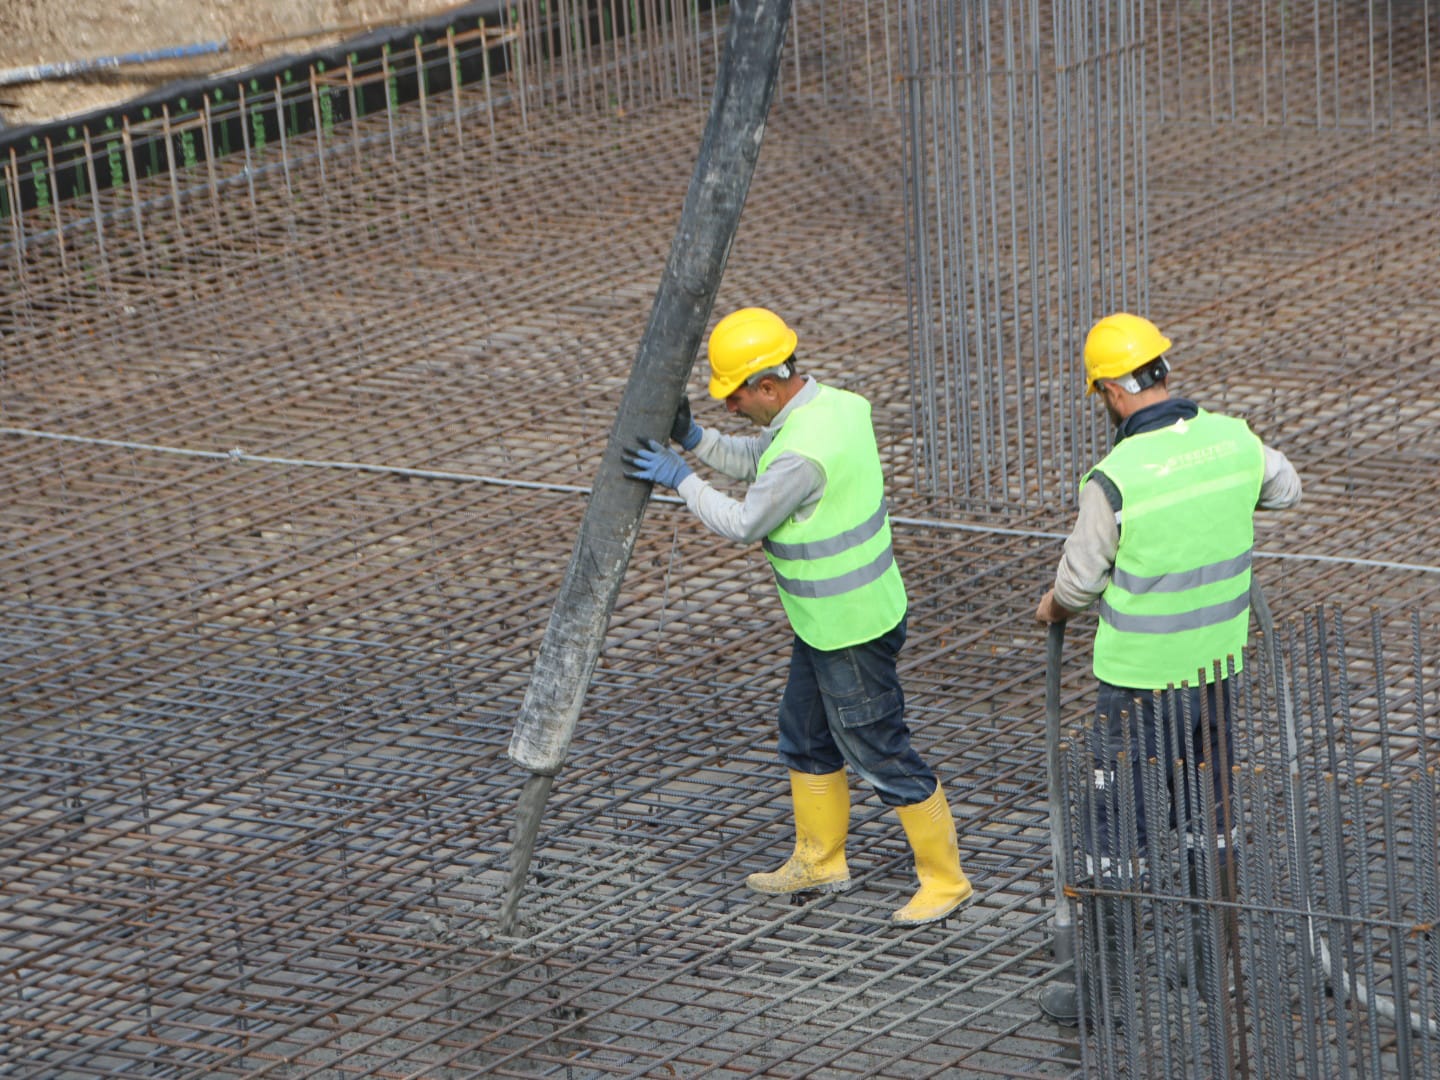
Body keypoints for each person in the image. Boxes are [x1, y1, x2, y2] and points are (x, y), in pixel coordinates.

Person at [625, 306, 974, 925]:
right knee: (805, 733)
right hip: (831, 619)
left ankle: (946, 881)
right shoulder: (831, 408)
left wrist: (682, 480)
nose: (729, 407)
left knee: (879, 748)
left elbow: (744, 520)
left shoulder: (801, 455)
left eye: (734, 397)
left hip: (849, 630)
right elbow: (759, 459)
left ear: (767, 386)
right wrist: (695, 439)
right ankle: (820, 861)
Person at [1034, 311, 1301, 1019]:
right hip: (1215, 672)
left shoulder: (1115, 477)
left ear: (1112, 392)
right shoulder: (1235, 440)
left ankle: (1104, 993)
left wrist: (1052, 608)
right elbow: (1286, 489)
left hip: (1141, 685)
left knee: (1115, 834)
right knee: (1208, 821)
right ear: (1162, 371)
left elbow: (1079, 583)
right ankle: (1213, 968)